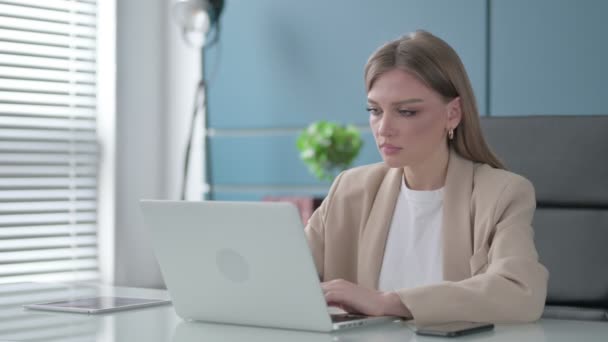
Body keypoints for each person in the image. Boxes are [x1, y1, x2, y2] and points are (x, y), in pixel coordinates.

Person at [304, 30, 548, 326]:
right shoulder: (350, 189)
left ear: (453, 113)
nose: (384, 128)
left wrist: (388, 303)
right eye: (375, 110)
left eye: (406, 111)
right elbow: (282, 273)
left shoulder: (501, 193)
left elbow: (521, 293)